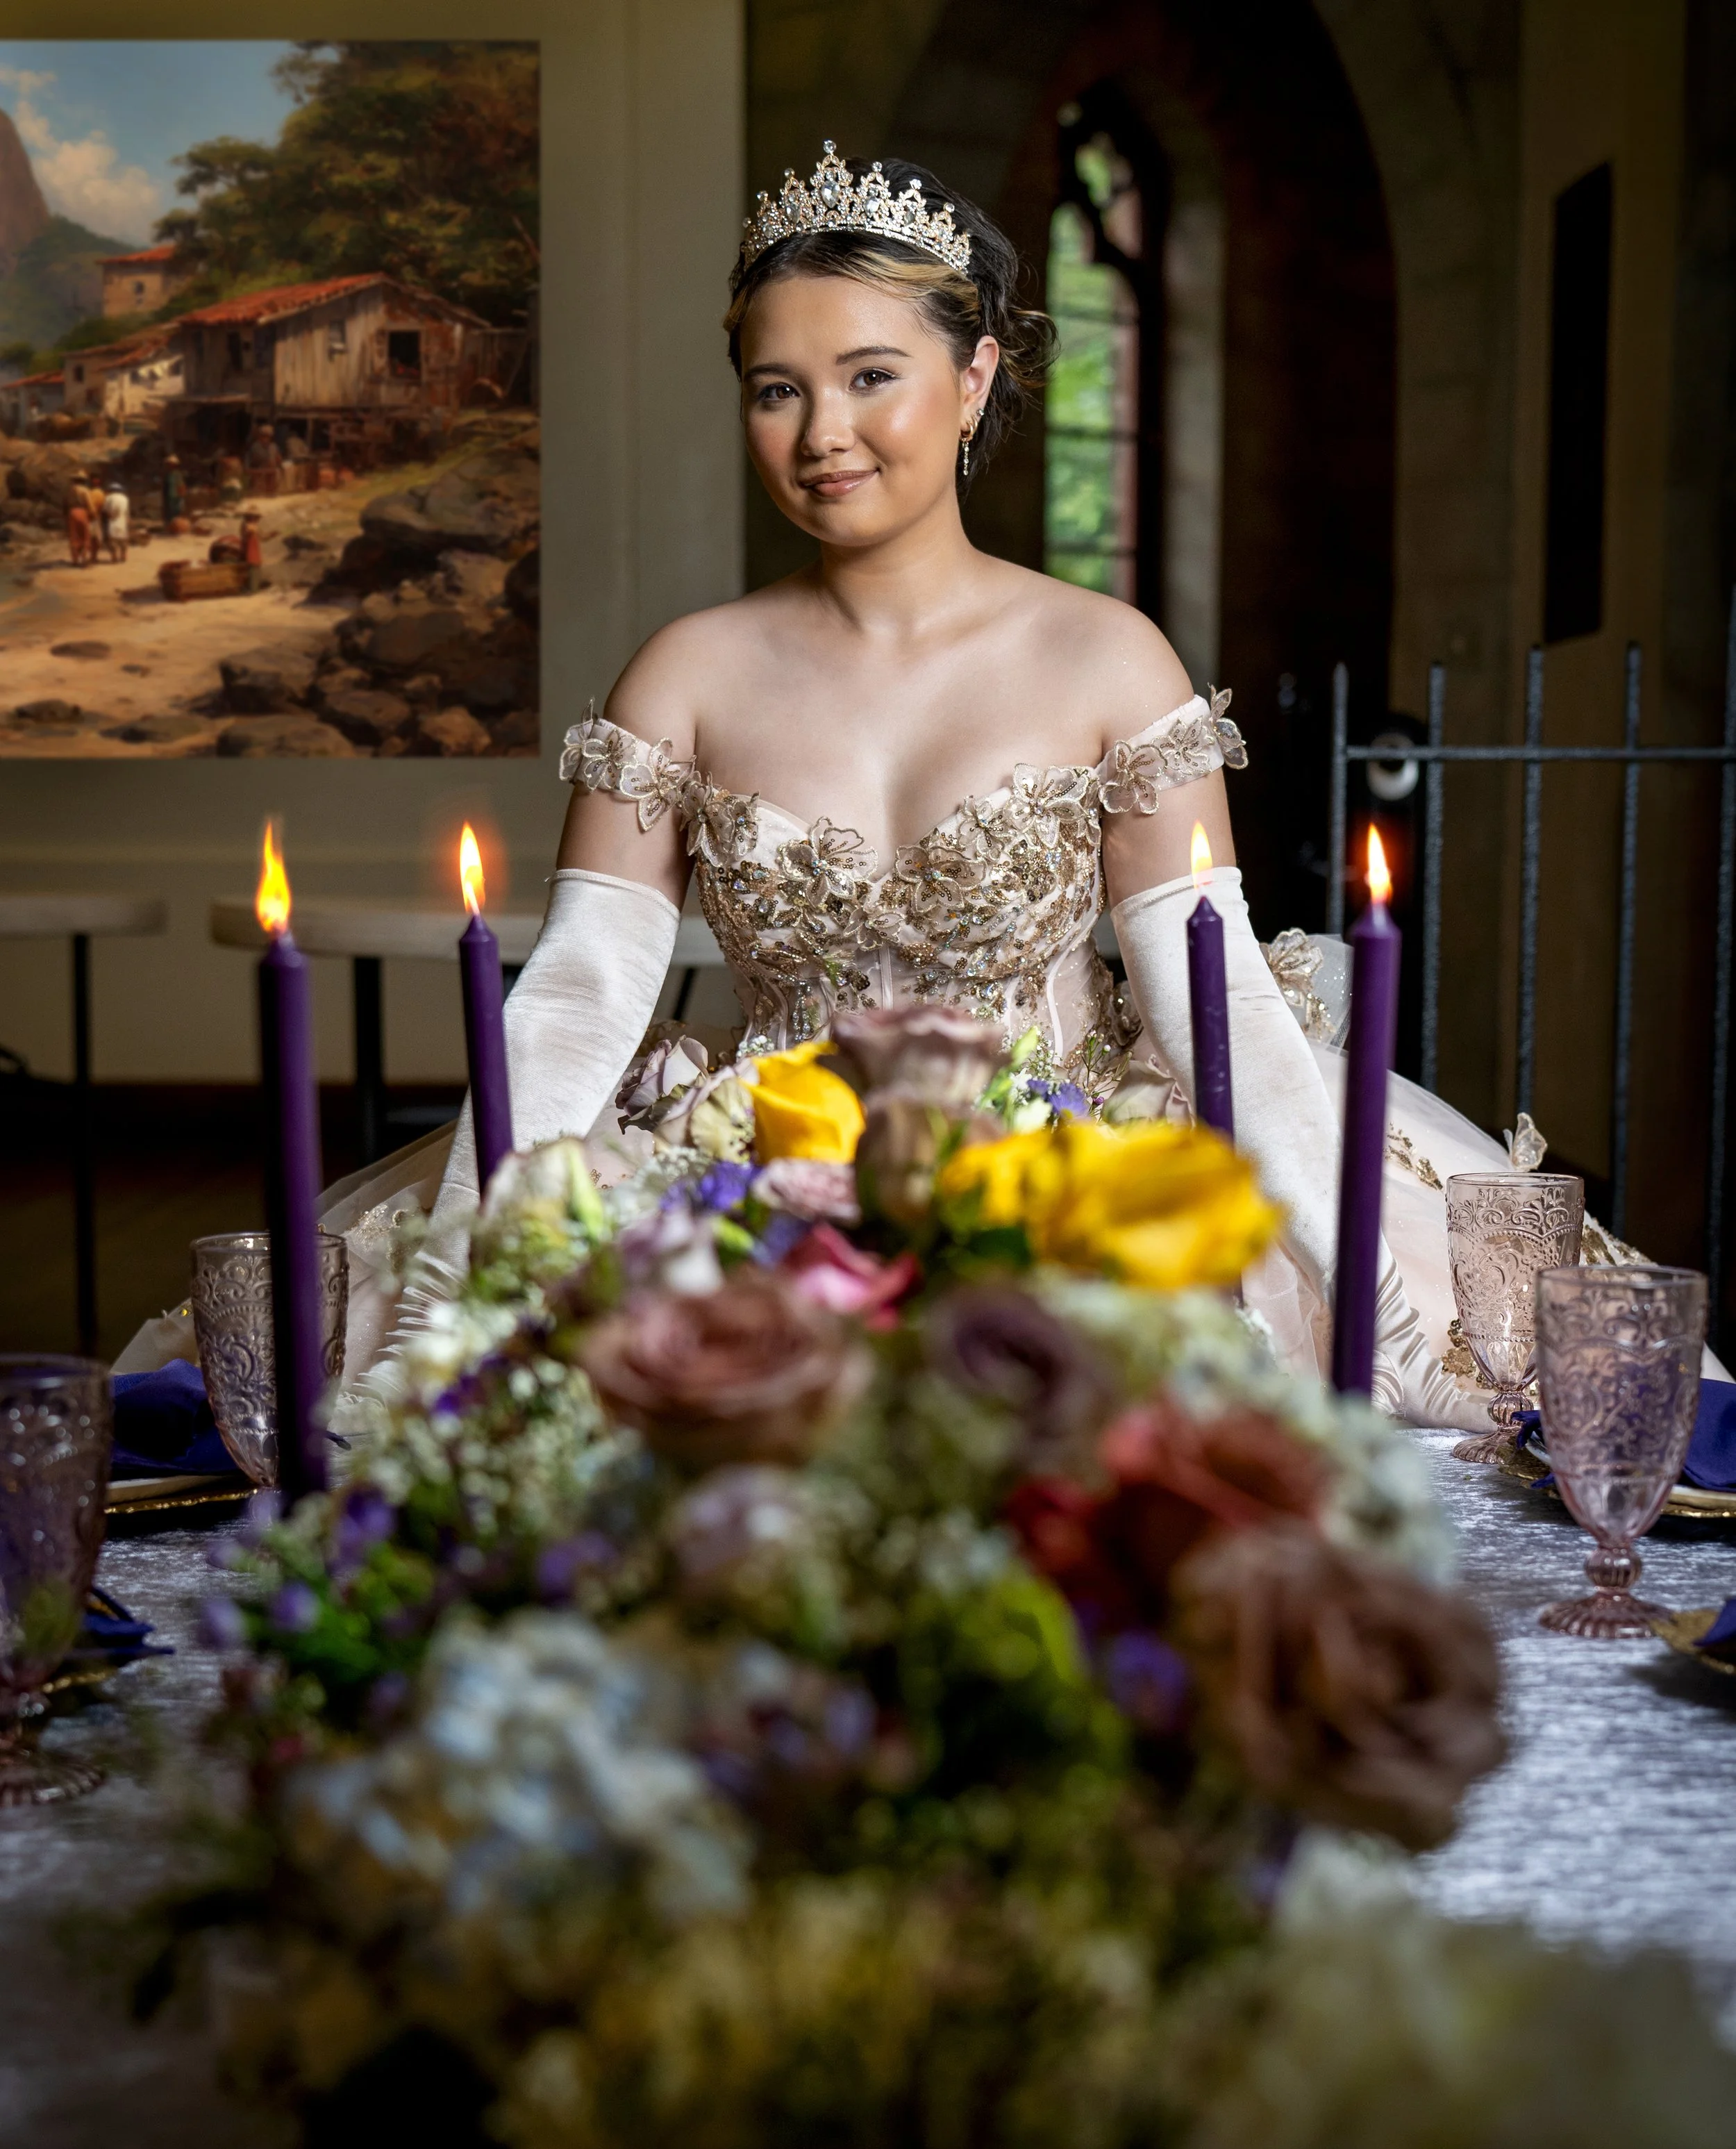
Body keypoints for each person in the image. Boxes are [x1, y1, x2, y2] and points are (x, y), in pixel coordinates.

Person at [312, 146, 1553, 1423]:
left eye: (869, 379)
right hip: (764, 1201)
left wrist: (1373, 1310)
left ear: (974, 381)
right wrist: (435, 1312)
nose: (822, 436)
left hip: (1068, 1192)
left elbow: (1211, 997)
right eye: (776, 391)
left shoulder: (1109, 658)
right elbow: (575, 1005)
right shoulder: (683, 675)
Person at [100, 481, 129, 562]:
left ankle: (114, 556)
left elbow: (105, 510)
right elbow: (126, 511)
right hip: (122, 521)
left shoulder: (109, 498)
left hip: (112, 521)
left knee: (113, 540)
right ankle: (123, 556)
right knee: (123, 539)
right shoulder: (125, 498)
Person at [161, 453, 187, 531]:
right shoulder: (168, 474)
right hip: (168, 497)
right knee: (168, 513)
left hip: (175, 497)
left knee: (175, 513)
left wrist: (182, 497)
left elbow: (181, 486)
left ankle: (175, 528)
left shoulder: (177, 474)